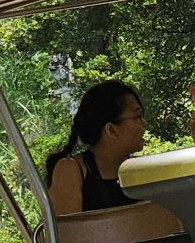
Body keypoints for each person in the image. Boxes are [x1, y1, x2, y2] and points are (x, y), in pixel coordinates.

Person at [45, 80, 147, 217]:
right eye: (137, 116)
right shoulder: (71, 170)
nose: (143, 123)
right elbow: (65, 234)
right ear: (110, 129)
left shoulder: (141, 169)